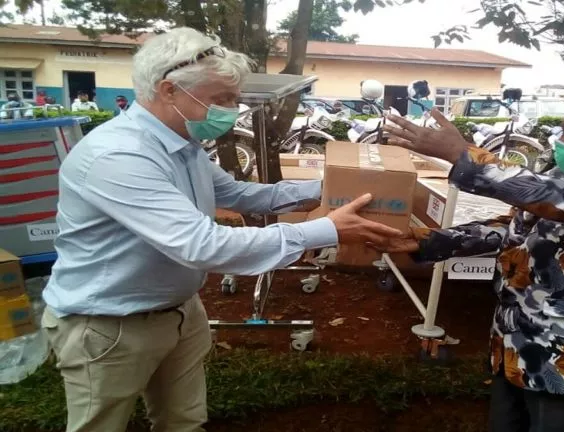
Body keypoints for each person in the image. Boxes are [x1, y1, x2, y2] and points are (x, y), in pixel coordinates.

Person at [41, 27, 403, 432]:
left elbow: (240, 193)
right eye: (221, 100)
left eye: (234, 99)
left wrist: (334, 189)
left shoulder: (182, 143)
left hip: (179, 311)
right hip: (110, 325)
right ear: (169, 91)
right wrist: (326, 230)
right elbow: (202, 245)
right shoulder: (119, 156)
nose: (232, 110)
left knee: (184, 421)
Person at [380, 98, 564, 432]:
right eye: (563, 130)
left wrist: (462, 154)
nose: (561, 141)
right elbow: (515, 228)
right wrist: (428, 241)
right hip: (519, 343)